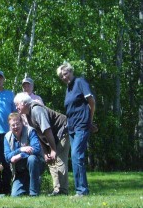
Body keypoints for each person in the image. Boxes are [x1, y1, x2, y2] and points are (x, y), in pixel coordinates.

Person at [14, 92, 69, 196]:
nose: (16, 107)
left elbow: (47, 130)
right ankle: (57, 190)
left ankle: (64, 191)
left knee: (59, 159)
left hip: (62, 131)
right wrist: (45, 152)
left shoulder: (36, 110)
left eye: (17, 104)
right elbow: (38, 135)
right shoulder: (28, 115)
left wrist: (53, 149)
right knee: (50, 161)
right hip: (52, 136)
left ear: (24, 103)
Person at [57, 62, 96, 197]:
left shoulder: (80, 82)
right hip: (72, 127)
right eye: (62, 76)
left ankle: (82, 190)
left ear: (71, 72)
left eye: (66, 74)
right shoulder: (68, 89)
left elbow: (91, 101)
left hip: (82, 125)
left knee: (76, 155)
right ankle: (81, 189)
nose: (64, 77)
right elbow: (70, 110)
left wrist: (89, 121)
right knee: (75, 157)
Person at [4, 113, 44, 197]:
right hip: (19, 171)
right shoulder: (7, 137)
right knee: (14, 195)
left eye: (17, 124)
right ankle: (28, 186)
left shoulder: (30, 131)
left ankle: (34, 193)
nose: (15, 127)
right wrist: (20, 149)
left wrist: (20, 155)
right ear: (10, 126)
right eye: (13, 125)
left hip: (35, 166)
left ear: (22, 123)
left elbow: (36, 149)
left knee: (32, 158)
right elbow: (7, 157)